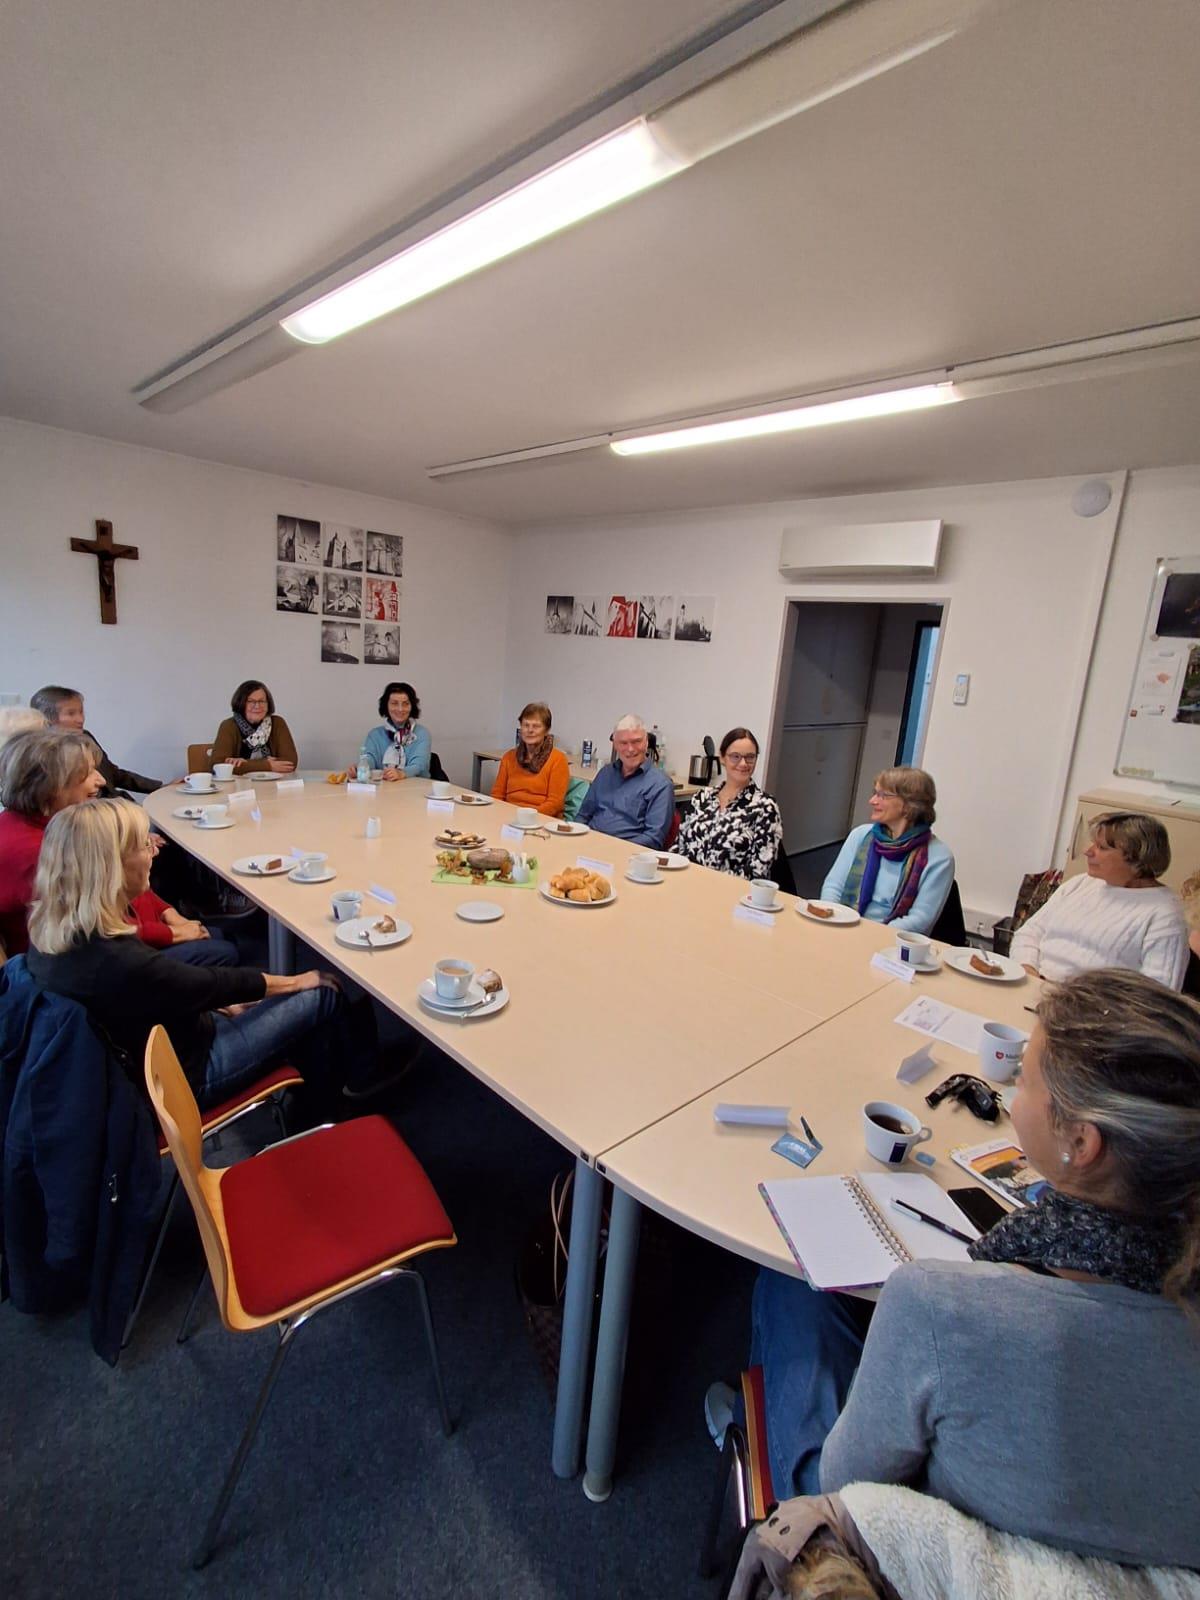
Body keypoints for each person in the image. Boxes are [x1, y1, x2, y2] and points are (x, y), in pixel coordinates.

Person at [714, 968, 1200, 1574]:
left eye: (1024, 1079)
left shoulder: (942, 1307)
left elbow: (846, 1486)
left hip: (913, 1559)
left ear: (1081, 1142)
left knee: (794, 1284)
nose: (1008, 1093)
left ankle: (748, 1418)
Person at [25, 798, 386, 1110]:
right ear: (111, 867)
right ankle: (350, 1091)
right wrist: (294, 982)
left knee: (275, 996)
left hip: (155, 1055)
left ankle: (313, 1098)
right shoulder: (118, 960)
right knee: (322, 991)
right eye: (143, 846)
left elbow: (181, 989)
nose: (153, 853)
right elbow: (208, 984)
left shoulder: (53, 936)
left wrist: (213, 1003)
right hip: (188, 1076)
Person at [0, 730, 237, 964]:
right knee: (224, 950)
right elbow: (97, 931)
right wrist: (173, 933)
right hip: (96, 957)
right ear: (52, 785)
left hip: (129, 932)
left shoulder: (53, 825)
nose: (101, 780)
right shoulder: (40, 851)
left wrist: (169, 913)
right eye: (87, 773)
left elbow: (119, 886)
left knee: (219, 937)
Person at [1012, 811, 1188, 989]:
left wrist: (1063, 997)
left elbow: (1158, 993)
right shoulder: (1080, 883)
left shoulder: (1165, 915)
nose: (1087, 851)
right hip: (1034, 985)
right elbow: (1029, 933)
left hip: (1092, 1004)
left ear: (1137, 858)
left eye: (1102, 847)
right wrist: (1029, 973)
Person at [819, 766, 953, 934]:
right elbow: (833, 887)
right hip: (843, 926)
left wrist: (872, 935)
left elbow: (920, 919)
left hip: (892, 940)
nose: (872, 801)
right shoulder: (860, 835)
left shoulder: (939, 857)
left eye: (883, 795)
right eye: (875, 793)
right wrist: (833, 919)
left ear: (909, 805)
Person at [673, 727, 782, 879]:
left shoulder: (765, 806)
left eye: (750, 757)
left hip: (732, 889)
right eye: (735, 756)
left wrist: (712, 882)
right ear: (722, 758)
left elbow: (759, 870)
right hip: (688, 881)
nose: (743, 763)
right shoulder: (702, 797)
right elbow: (679, 848)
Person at [31, 683, 163, 795]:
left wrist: (160, 788)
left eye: (81, 712)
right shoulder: (46, 755)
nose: (80, 719)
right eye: (71, 714)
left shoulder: (86, 737)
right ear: (47, 718)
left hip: (117, 803)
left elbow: (114, 773)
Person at [576, 714, 674, 847]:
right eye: (623, 743)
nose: (630, 749)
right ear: (615, 745)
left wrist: (612, 848)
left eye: (636, 741)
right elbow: (583, 816)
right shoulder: (605, 773)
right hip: (588, 845)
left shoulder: (660, 785)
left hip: (626, 853)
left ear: (646, 743)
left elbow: (653, 838)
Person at [491, 702, 570, 817]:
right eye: (526, 725)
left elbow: (555, 803)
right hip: (509, 816)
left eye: (536, 726)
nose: (530, 730)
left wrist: (526, 816)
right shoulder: (508, 757)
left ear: (547, 730)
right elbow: (497, 795)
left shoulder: (558, 759)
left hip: (542, 818)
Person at [210, 681, 298, 774]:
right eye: (251, 701)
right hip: (240, 783)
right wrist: (267, 765)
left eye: (261, 701)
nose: (257, 706)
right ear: (241, 703)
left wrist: (244, 765)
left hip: (274, 781)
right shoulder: (228, 726)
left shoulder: (278, 723)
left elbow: (290, 762)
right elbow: (217, 765)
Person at [354, 682, 431, 781]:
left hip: (417, 787)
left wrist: (401, 773)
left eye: (405, 704)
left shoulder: (422, 734)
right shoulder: (374, 735)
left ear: (412, 706)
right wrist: (360, 769)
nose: (400, 709)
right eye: (394, 703)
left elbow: (419, 765)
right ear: (386, 705)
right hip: (384, 787)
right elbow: (369, 759)